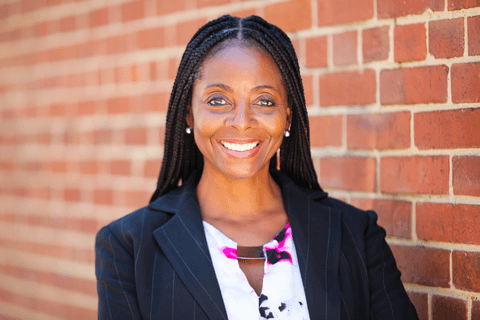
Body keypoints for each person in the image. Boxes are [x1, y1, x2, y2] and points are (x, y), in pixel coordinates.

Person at [95, 15, 419, 320]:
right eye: (218, 100)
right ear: (189, 115)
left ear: (287, 118)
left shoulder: (355, 234)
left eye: (264, 101)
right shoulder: (129, 247)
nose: (242, 123)